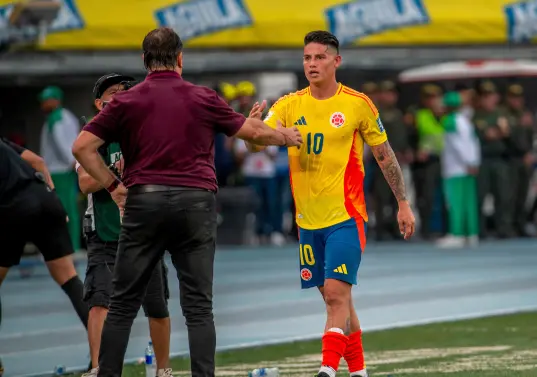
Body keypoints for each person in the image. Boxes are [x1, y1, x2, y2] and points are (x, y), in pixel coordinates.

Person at [72, 27, 302, 377]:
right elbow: (252, 133)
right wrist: (285, 136)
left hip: (144, 203)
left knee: (121, 305)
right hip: (195, 204)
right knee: (198, 308)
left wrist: (114, 186)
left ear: (144, 61)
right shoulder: (202, 96)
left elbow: (81, 149)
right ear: (181, 59)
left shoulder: (126, 102)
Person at [249, 31, 415, 377]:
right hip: (308, 221)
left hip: (346, 217)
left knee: (337, 297)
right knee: (337, 301)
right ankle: (358, 372)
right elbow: (255, 146)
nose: (312, 64)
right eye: (307, 58)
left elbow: (384, 156)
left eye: (320, 57)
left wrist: (402, 202)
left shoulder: (357, 104)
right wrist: (256, 130)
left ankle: (327, 369)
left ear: (336, 61)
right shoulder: (289, 104)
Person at [77, 73, 171, 377]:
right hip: (105, 232)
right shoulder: (92, 136)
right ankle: (98, 368)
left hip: (145, 230)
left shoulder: (142, 130)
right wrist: (115, 174)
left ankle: (163, 369)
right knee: (100, 301)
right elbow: (85, 183)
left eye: (123, 91)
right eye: (112, 92)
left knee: (156, 305)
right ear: (98, 102)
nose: (118, 96)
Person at [0, 137, 89, 344]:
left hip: (14, 206)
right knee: (69, 277)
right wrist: (54, 198)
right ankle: (102, 353)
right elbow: (38, 162)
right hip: (45, 198)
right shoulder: (4, 143)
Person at [39, 86, 81, 250]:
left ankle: (70, 247)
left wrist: (72, 162)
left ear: (55, 100)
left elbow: (62, 143)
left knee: (65, 210)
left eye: (46, 100)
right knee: (64, 210)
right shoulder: (58, 117)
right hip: (58, 171)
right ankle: (67, 247)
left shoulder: (58, 118)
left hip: (61, 171)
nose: (43, 104)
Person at [436, 92, 480, 248]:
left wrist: (467, 162)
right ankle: (471, 233)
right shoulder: (465, 121)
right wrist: (474, 162)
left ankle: (457, 234)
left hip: (455, 168)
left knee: (455, 202)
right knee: (469, 202)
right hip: (469, 167)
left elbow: (458, 145)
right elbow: (473, 142)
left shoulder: (451, 121)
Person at [473, 80, 512, 238]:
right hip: (483, 159)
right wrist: (497, 133)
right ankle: (480, 230)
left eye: (491, 96)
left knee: (503, 195)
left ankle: (504, 228)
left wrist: (497, 133)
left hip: (500, 159)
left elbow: (508, 134)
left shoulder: (502, 113)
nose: (489, 99)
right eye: (485, 96)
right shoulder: (476, 115)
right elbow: (484, 135)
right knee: (480, 196)